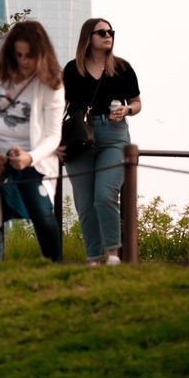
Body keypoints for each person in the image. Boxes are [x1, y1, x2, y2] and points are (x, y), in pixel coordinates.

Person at [0, 20, 64, 262]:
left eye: (29, 56)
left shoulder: (53, 82)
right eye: (18, 54)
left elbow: (54, 135)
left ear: (41, 54)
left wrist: (30, 157)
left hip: (32, 157)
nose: (23, 61)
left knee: (42, 214)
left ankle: (57, 266)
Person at [61, 18, 141, 265]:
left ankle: (113, 255)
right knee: (85, 204)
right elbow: (59, 106)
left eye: (111, 32)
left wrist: (127, 110)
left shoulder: (122, 68)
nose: (108, 36)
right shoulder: (73, 69)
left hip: (114, 136)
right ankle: (93, 259)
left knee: (105, 195)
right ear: (89, 38)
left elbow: (137, 103)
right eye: (102, 32)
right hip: (79, 137)